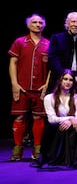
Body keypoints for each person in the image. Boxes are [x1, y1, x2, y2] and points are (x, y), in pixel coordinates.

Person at [8, 14, 50, 161]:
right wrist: (14, 83)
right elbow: (13, 63)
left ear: (44, 25)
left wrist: (47, 84)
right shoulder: (20, 42)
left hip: (40, 89)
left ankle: (37, 151)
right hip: (22, 87)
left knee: (38, 117)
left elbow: (51, 67)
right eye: (34, 22)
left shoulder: (48, 44)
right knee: (20, 117)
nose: (37, 24)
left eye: (40, 22)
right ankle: (17, 151)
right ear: (28, 25)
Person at [32, 69, 77, 169]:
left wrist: (72, 121)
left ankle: (73, 159)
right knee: (64, 126)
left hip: (72, 126)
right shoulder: (49, 98)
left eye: (71, 80)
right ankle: (58, 158)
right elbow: (52, 119)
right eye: (65, 79)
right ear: (60, 80)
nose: (68, 82)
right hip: (55, 128)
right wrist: (70, 118)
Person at [47, 11, 77, 114]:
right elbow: (53, 57)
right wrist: (64, 76)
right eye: (73, 22)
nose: (75, 24)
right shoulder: (57, 38)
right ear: (67, 23)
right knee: (57, 110)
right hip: (59, 79)